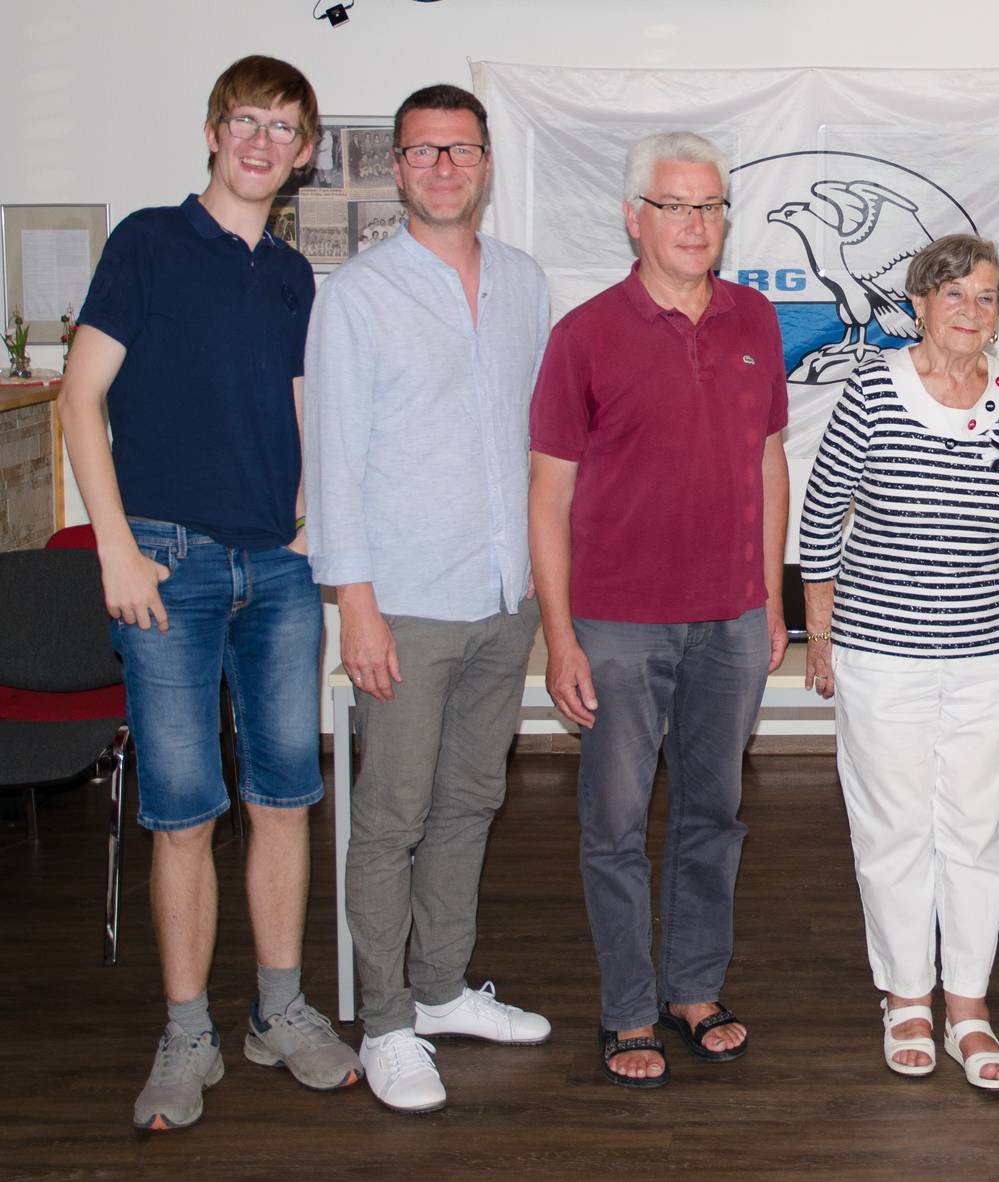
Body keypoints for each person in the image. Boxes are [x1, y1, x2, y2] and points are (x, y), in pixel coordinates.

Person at [54, 55, 363, 1131]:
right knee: (184, 813)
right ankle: (187, 1034)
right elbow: (78, 397)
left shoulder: (290, 277)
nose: (261, 140)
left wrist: (320, 531)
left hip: (275, 571)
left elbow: (294, 410)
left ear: (306, 153)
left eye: (283, 127)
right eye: (245, 120)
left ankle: (278, 1015)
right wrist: (115, 551)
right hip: (166, 568)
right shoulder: (147, 241)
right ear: (212, 130)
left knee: (286, 797)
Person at [304, 83, 553, 1114]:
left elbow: (545, 445)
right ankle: (388, 1023)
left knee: (473, 799)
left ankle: (444, 988)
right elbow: (334, 457)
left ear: (486, 163)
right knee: (392, 816)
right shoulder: (356, 296)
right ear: (397, 169)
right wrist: (354, 604)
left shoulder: (530, 284)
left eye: (461, 149)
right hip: (403, 601)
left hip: (506, 597)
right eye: (423, 152)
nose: (444, 166)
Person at [528, 131, 789, 1088]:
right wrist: (560, 638)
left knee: (713, 816)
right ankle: (628, 1009)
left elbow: (768, 462)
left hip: (729, 619)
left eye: (711, 206)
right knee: (615, 823)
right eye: (676, 206)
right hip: (617, 625)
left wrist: (768, 596)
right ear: (634, 217)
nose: (697, 224)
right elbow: (548, 496)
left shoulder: (756, 319)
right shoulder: (583, 335)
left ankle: (692, 987)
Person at [798, 234, 999, 1091]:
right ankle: (906, 995)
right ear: (918, 303)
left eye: (986, 297)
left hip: (990, 656)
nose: (971, 311)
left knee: (979, 829)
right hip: (880, 651)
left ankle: (968, 1006)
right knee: (894, 826)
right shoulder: (872, 385)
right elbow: (824, 510)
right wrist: (818, 633)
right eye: (954, 295)